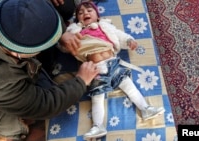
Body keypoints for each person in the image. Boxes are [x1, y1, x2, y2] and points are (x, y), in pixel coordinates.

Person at [0, 0, 99, 140]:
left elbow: (24, 8)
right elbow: (44, 104)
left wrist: (60, 31)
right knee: (39, 124)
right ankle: (20, 131)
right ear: (17, 53)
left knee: (65, 6)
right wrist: (80, 81)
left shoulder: (2, 10)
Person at [60, 1, 165, 139]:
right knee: (97, 98)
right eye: (80, 13)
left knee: (129, 86)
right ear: (78, 19)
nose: (85, 13)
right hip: (95, 68)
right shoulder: (77, 31)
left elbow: (119, 35)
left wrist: (129, 41)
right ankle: (97, 126)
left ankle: (145, 109)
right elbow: (66, 46)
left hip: (112, 62)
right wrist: (65, 37)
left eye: (89, 10)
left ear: (97, 16)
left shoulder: (105, 26)